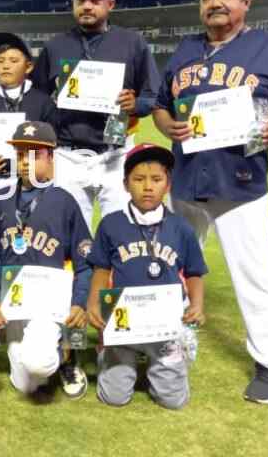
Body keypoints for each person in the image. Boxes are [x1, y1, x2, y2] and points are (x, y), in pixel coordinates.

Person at [152, 0, 268, 404]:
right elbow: (162, 106)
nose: (215, 3)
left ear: (246, 3)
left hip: (240, 182)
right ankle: (166, 340)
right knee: (172, 267)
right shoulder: (183, 51)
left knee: (255, 276)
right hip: (185, 183)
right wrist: (166, 127)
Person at [28, 0, 159, 229]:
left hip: (117, 154)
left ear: (110, 4)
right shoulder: (55, 47)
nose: (87, 5)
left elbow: (152, 96)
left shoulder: (133, 43)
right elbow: (37, 98)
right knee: (69, 238)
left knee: (124, 232)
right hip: (68, 156)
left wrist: (136, 105)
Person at [86, 143, 207, 409]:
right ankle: (109, 353)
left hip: (165, 324)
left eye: (156, 179)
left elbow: (196, 272)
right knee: (114, 398)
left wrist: (197, 305)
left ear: (168, 185)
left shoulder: (180, 227)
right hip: (123, 323)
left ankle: (165, 359)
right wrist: (93, 303)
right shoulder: (111, 224)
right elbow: (101, 268)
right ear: (125, 184)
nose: (148, 186)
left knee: (173, 401)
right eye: (139, 179)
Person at [0, 121, 93, 399]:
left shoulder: (66, 201)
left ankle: (67, 355)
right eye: (21, 154)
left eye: (35, 155)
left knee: (38, 363)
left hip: (50, 302)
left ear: (51, 158)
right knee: (25, 384)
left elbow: (84, 261)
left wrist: (79, 302)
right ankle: (54, 350)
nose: (25, 162)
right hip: (14, 301)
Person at [0, 32, 57, 205]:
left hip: (33, 182)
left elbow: (54, 147)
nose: (5, 66)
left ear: (28, 66)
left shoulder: (43, 102)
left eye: (13, 61)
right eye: (0, 60)